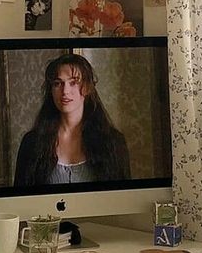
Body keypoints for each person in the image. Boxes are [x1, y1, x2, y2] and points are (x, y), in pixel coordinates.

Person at [14, 53, 131, 186]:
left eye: (73, 82)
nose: (65, 91)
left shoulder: (112, 141)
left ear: (87, 88)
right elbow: (19, 198)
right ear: (51, 90)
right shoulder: (32, 142)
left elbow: (122, 197)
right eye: (58, 83)